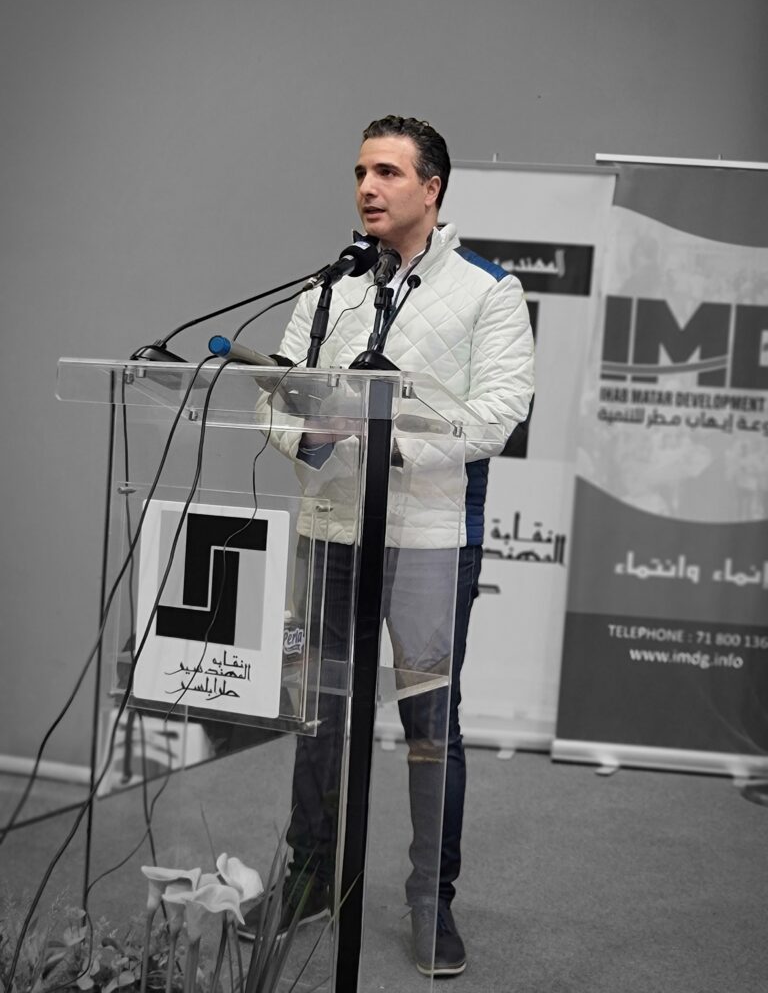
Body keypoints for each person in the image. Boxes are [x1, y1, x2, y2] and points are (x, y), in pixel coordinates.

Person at [240, 116, 534, 978]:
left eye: (389, 173)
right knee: (321, 712)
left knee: (429, 725)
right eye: (361, 171)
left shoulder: (489, 292)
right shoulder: (329, 288)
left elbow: (498, 416)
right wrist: (311, 440)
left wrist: (387, 445)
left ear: (432, 188)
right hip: (334, 530)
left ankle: (430, 898)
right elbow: (273, 397)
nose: (368, 187)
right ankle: (309, 878)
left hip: (430, 541)